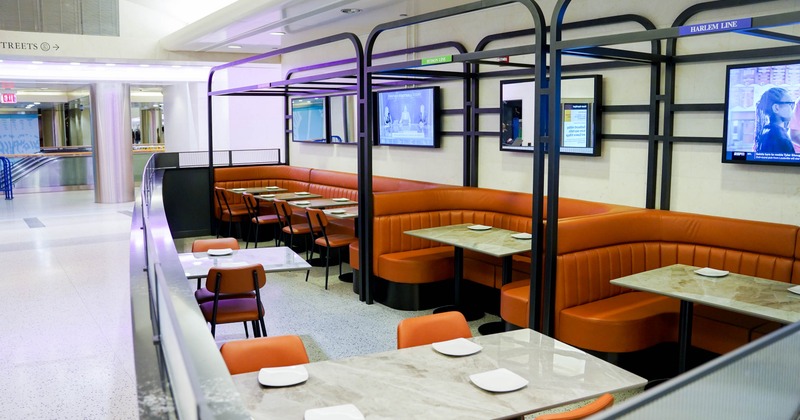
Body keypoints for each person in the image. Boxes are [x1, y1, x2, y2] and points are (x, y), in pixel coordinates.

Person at [753, 87, 795, 154]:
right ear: (776, 108)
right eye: (790, 104)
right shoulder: (781, 138)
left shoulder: (767, 133)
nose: (793, 107)